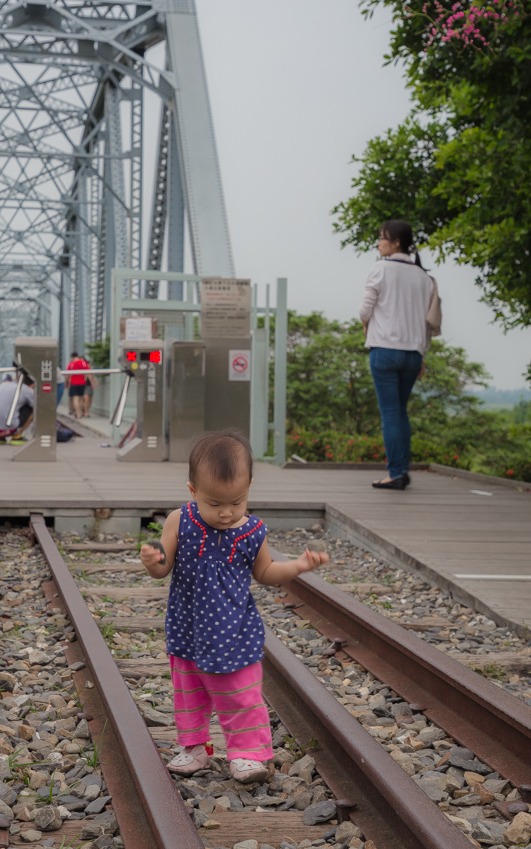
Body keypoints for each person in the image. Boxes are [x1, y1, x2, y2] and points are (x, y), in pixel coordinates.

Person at [139, 430, 329, 783]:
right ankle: (196, 748)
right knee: (189, 693)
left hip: (235, 633)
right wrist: (153, 561)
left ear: (249, 488)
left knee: (241, 695)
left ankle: (247, 753)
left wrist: (299, 567)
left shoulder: (253, 531)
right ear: (193, 491)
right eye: (215, 504)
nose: (226, 513)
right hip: (188, 629)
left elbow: (267, 572)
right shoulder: (179, 521)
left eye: (237, 502)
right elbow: (162, 569)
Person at [359, 219, 439, 490]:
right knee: (400, 413)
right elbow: (427, 320)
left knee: (391, 413)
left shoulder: (380, 268)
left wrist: (367, 325)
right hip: (413, 354)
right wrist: (422, 354)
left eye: (382, 238)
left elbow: (364, 311)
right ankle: (401, 470)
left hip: (384, 350)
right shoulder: (424, 277)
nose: (379, 242)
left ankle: (395, 473)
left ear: (395, 243)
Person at [0, 375, 34, 445]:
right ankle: (17, 436)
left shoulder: (3, 385)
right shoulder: (27, 389)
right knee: (34, 409)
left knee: (8, 406)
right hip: (7, 430)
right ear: (32, 385)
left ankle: (0, 438)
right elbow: (39, 408)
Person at [66, 351, 90, 418]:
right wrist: (85, 378)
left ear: (72, 357)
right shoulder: (84, 363)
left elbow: (67, 375)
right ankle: (81, 412)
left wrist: (67, 382)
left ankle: (78, 413)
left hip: (74, 383)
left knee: (75, 399)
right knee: (81, 398)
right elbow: (88, 372)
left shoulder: (71, 364)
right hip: (82, 383)